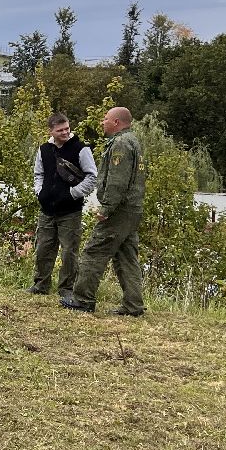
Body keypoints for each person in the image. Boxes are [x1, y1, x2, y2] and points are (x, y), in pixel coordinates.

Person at [62, 107, 147, 316]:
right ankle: (133, 305)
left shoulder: (120, 144)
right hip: (132, 209)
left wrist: (107, 207)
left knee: (94, 251)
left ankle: (83, 299)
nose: (103, 122)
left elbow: (118, 181)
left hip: (119, 210)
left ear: (116, 122)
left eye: (106, 118)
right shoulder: (133, 141)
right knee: (126, 256)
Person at [28, 112, 97, 297]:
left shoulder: (81, 149)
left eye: (67, 128)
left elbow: (92, 177)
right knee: (43, 249)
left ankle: (66, 289)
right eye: (60, 130)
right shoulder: (44, 149)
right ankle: (41, 285)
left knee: (69, 252)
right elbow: (38, 174)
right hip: (47, 209)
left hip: (70, 211)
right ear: (51, 131)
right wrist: (40, 192)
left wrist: (72, 194)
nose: (65, 132)